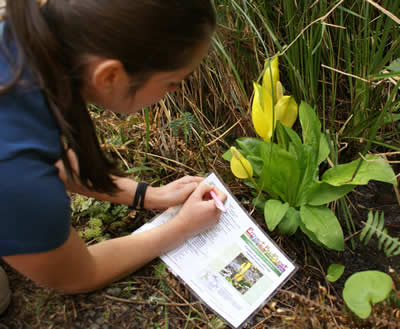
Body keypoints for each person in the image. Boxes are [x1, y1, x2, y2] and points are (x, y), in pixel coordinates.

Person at [0, 0, 226, 314]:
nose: (174, 92)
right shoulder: (16, 175)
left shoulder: (27, 34)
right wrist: (181, 228)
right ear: (109, 76)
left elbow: (44, 156)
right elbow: (76, 274)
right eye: (172, 82)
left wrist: (147, 195)